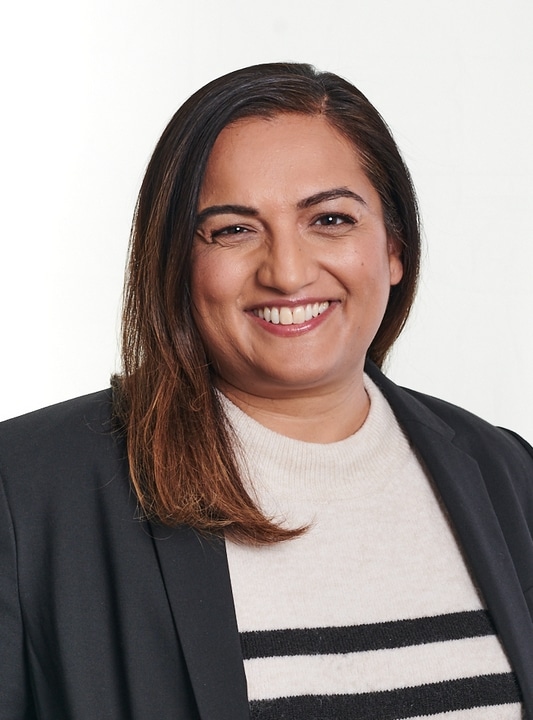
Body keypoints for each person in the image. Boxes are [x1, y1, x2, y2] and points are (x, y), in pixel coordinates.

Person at [0, 62, 532, 720]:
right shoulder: (25, 492)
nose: (286, 271)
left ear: (393, 247)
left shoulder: (507, 475)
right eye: (232, 229)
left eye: (330, 219)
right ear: (175, 264)